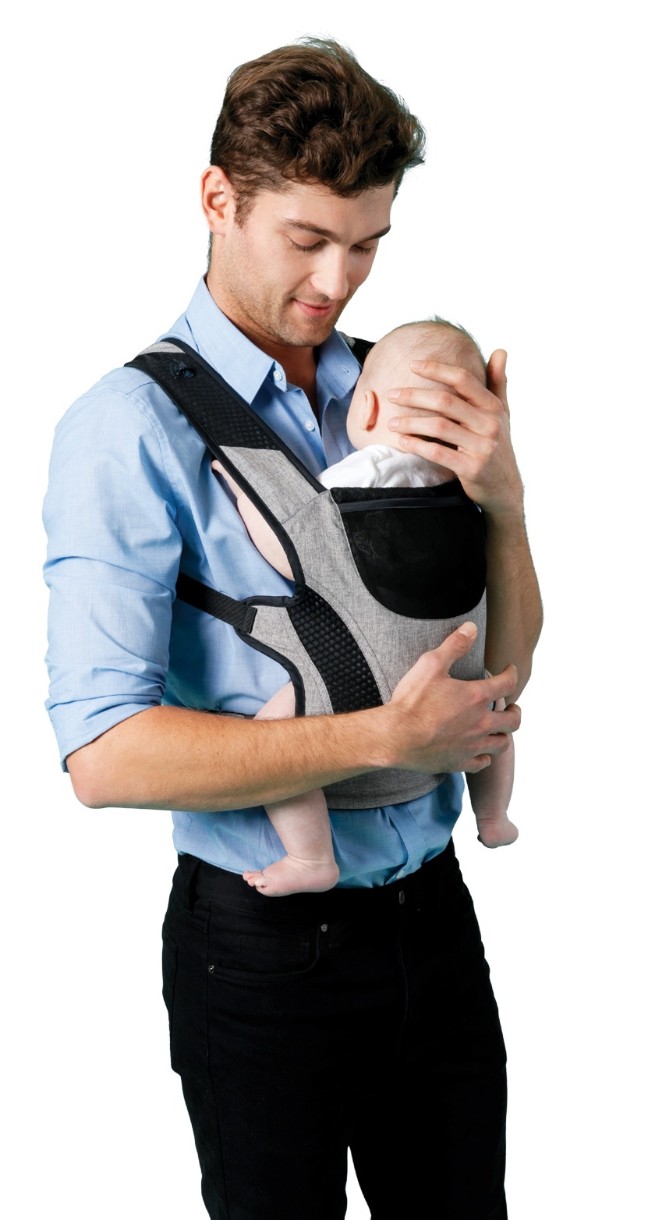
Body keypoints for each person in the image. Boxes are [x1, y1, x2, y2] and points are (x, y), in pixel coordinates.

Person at [43, 37, 542, 1220]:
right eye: (308, 238)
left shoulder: (401, 385)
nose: (338, 281)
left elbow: (504, 661)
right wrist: (385, 738)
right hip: (264, 952)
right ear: (218, 199)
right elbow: (104, 756)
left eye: (367, 244)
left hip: (435, 916)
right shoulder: (129, 429)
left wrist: (507, 504)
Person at [215, 318, 518, 898]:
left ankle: (311, 857)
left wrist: (242, 485)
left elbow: (292, 540)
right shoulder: (465, 486)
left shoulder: (369, 469)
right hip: (460, 670)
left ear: (368, 407)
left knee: (274, 742)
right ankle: (494, 817)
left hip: (363, 674)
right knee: (495, 718)